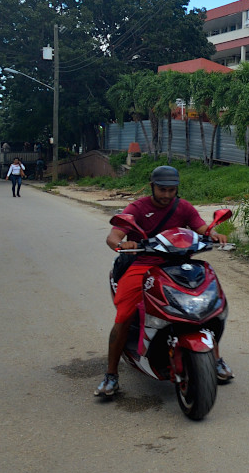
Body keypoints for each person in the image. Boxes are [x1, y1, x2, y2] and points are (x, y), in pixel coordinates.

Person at [95, 165, 232, 397]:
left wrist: (213, 234)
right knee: (124, 315)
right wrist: (123, 244)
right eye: (162, 189)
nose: (167, 195)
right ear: (152, 187)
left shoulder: (183, 207)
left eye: (171, 190)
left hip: (181, 264)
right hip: (144, 264)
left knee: (207, 307)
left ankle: (214, 358)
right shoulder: (137, 208)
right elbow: (114, 236)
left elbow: (200, 228)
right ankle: (111, 375)